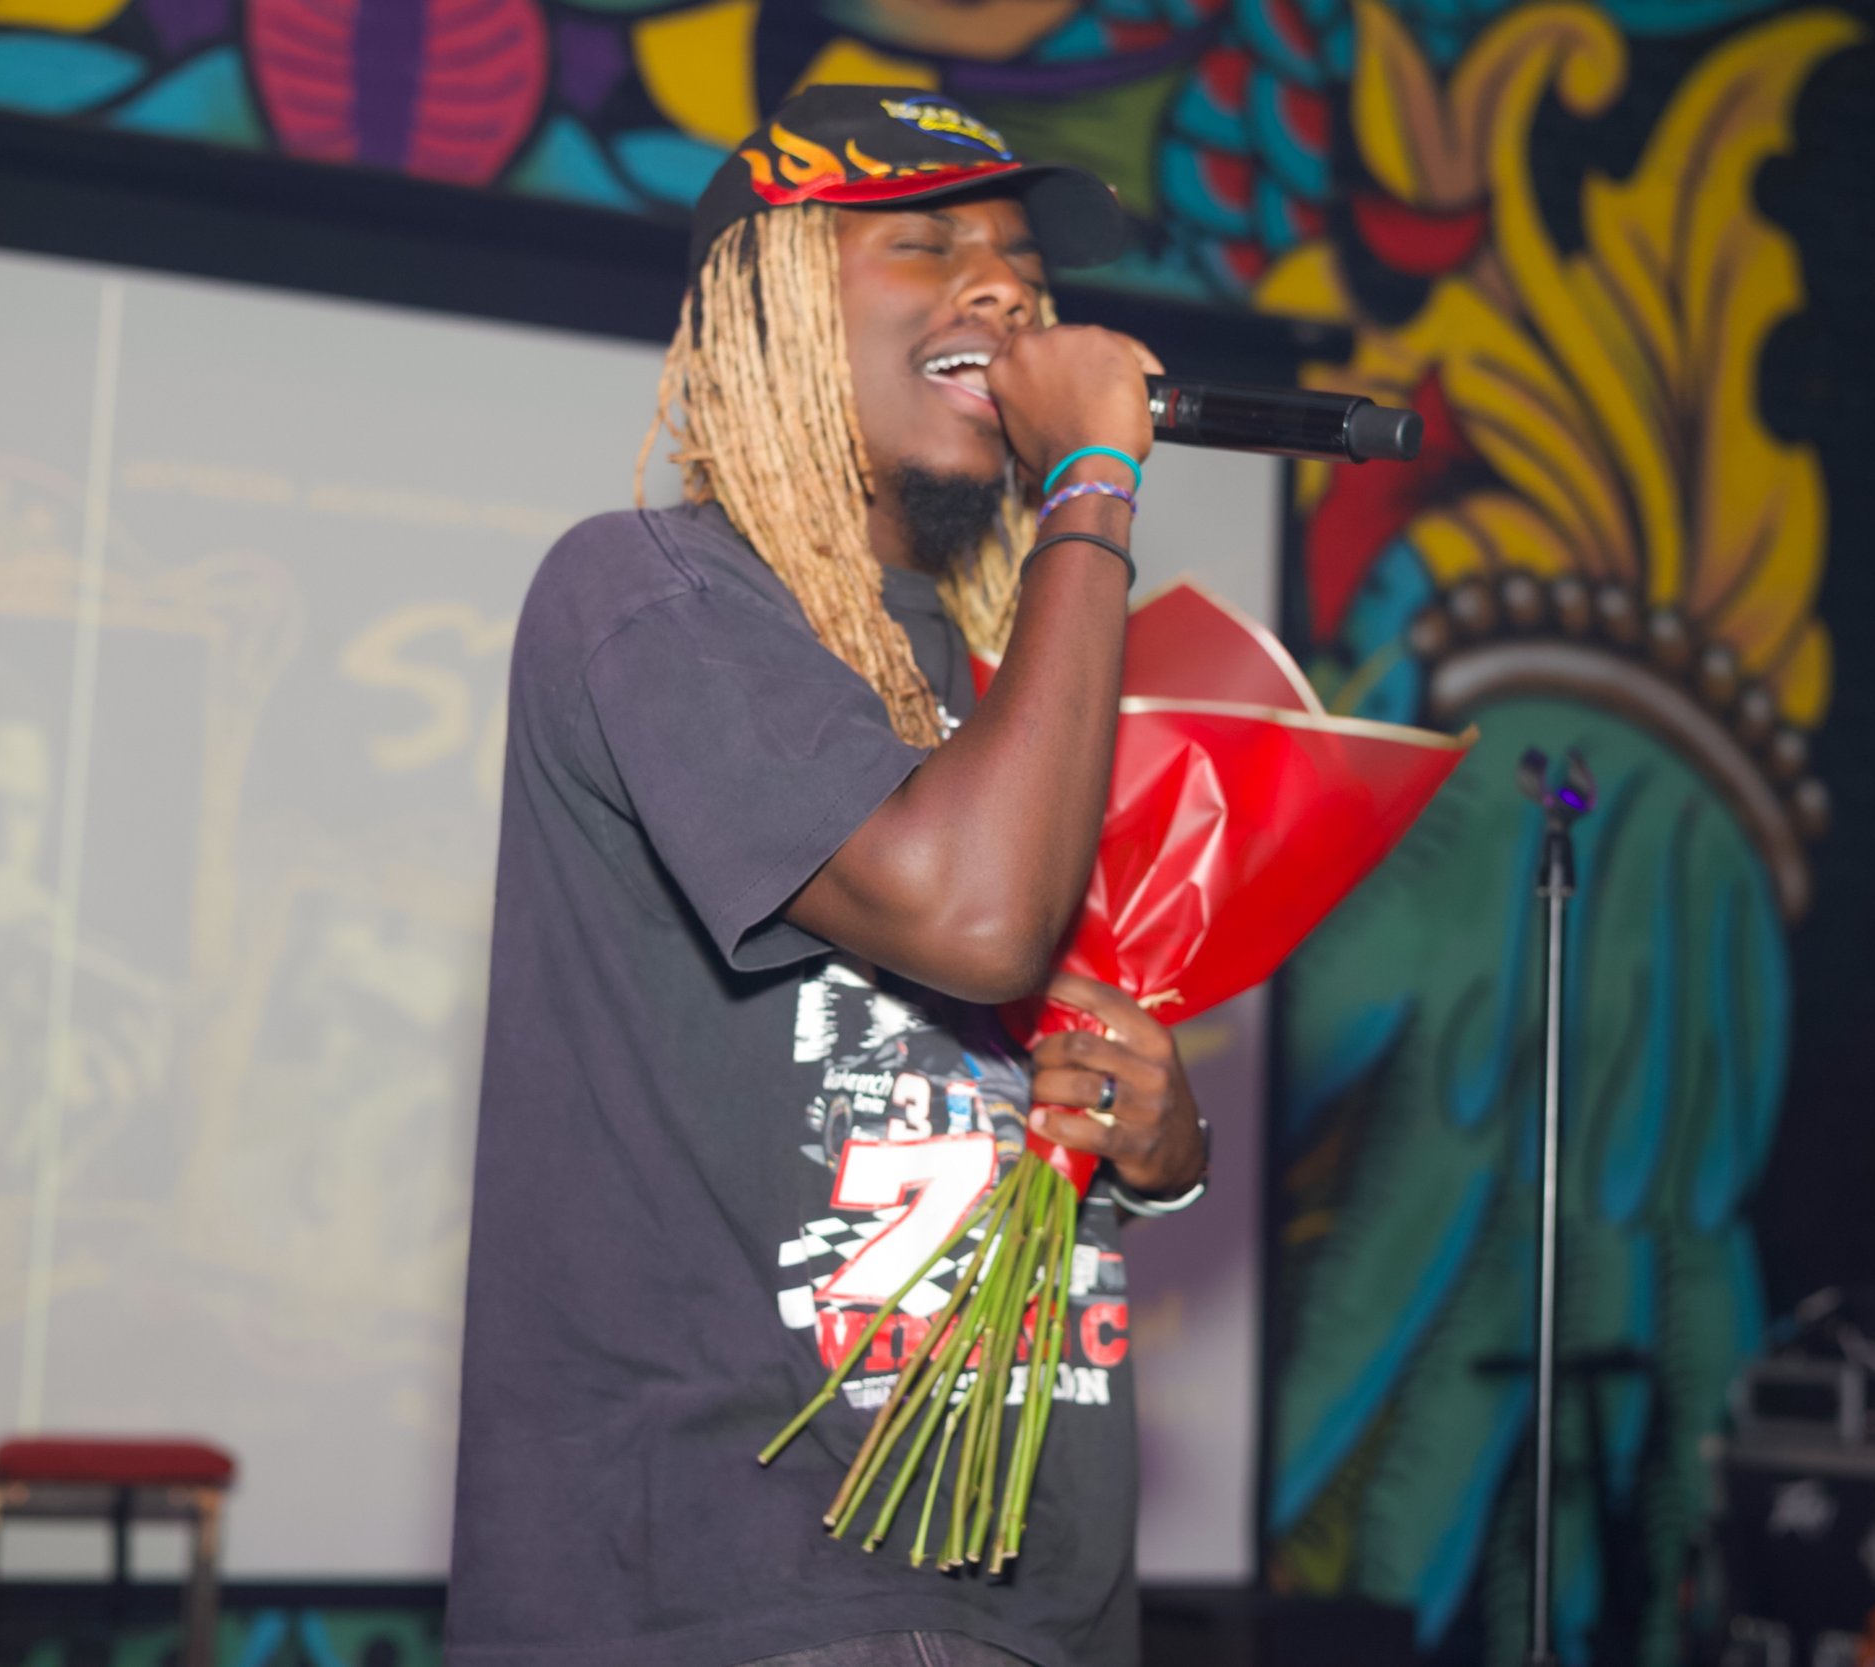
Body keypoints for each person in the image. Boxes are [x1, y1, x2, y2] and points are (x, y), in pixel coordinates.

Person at [447, 87, 1211, 1667]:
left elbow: (1002, 1039)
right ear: (773, 306)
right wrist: (1095, 488)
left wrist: (1157, 1141)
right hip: (740, 1598)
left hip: (1030, 1599)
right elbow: (977, 919)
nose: (1002, 289)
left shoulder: (1003, 688)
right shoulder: (648, 599)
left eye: (1022, 264)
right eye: (927, 240)